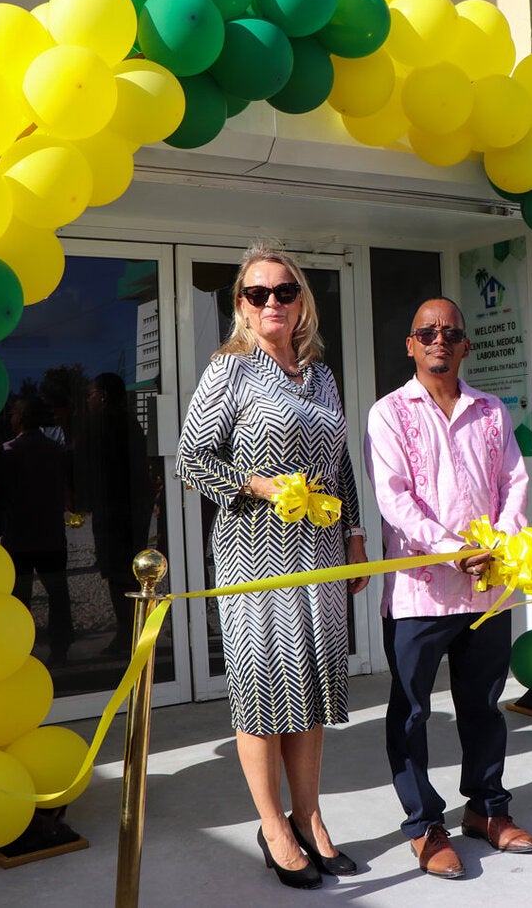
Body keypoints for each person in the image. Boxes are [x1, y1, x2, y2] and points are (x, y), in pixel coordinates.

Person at [176, 245, 369, 890]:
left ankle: (309, 817)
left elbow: (340, 464)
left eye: (284, 291)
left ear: (301, 300)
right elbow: (190, 460)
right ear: (241, 305)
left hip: (319, 551)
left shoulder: (320, 373)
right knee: (264, 694)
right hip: (255, 554)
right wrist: (255, 484)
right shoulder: (229, 370)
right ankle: (272, 826)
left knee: (309, 691)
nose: (272, 303)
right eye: (257, 294)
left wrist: (355, 535)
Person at [364, 298, 532, 880]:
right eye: (426, 332)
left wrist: (500, 542)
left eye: (450, 332)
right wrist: (452, 549)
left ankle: (487, 808)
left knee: (483, 705)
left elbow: (514, 481)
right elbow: (393, 499)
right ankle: (423, 824)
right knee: (411, 712)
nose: (439, 339)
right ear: (410, 345)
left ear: (466, 345)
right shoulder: (389, 413)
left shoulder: (490, 410)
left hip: (487, 588)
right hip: (420, 591)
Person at [73, 371, 151, 657]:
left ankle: (126, 634)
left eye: (91, 395)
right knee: (131, 571)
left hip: (113, 509)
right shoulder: (131, 424)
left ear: (103, 397)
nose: (88, 400)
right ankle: (136, 631)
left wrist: (80, 500)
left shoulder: (100, 425)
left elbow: (87, 468)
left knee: (118, 573)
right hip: (135, 507)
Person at [0, 395, 73, 667]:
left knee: (20, 597)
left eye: (14, 413)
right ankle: (60, 648)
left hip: (20, 534)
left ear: (20, 418)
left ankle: (21, 649)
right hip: (51, 533)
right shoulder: (55, 450)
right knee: (58, 593)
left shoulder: (9, 451)